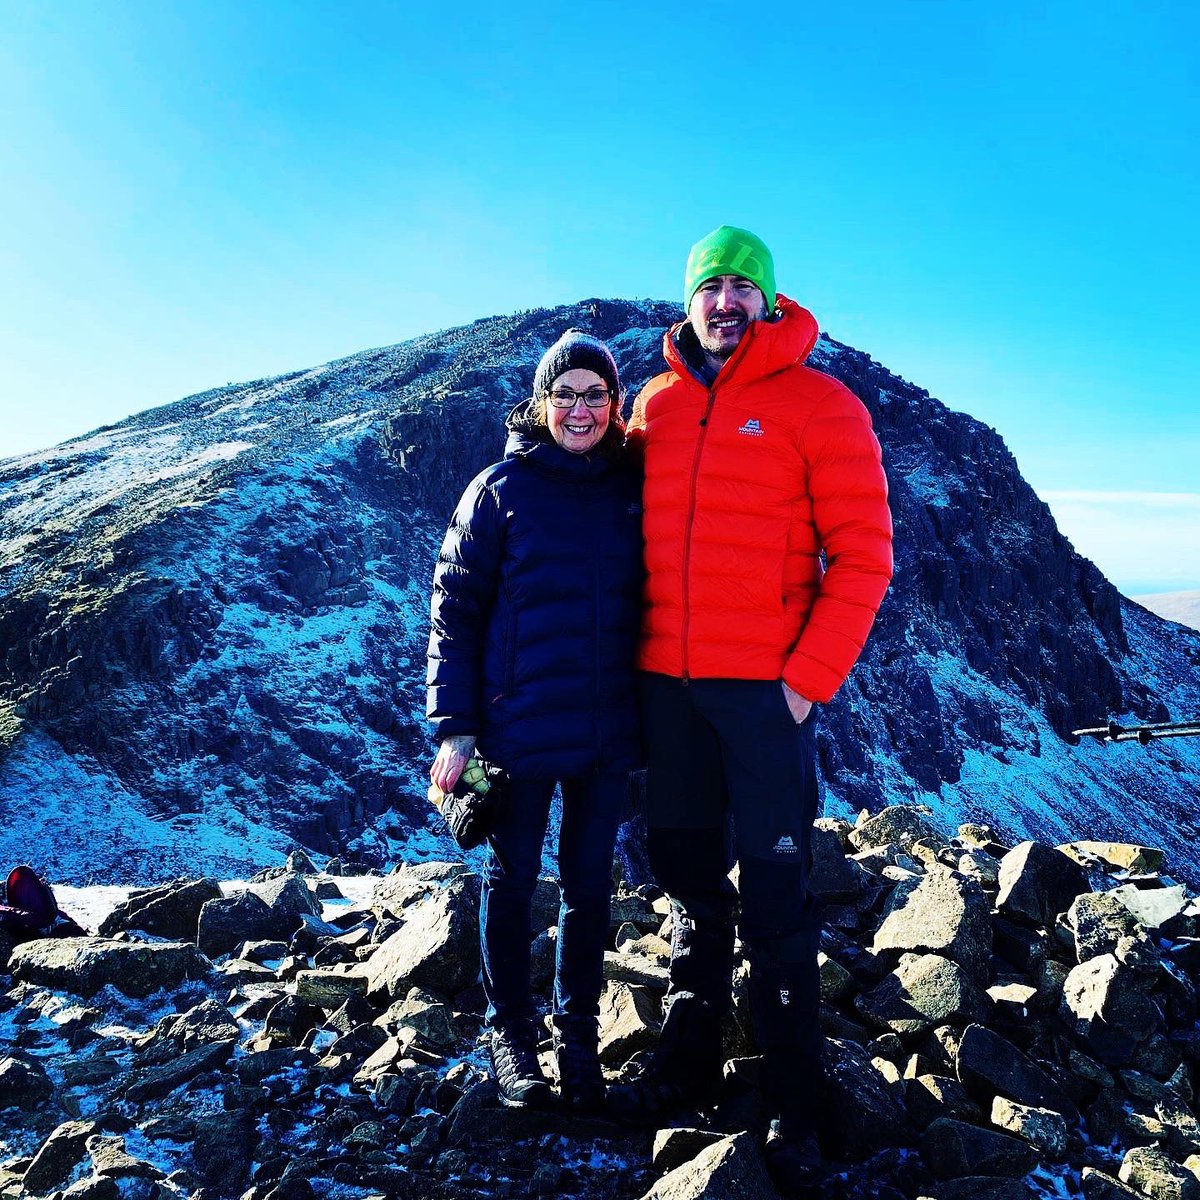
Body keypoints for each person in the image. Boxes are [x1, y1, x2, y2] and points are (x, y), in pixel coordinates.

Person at [617, 226, 893, 1190]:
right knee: (689, 877)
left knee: (777, 893)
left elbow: (864, 556)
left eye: (743, 285)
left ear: (768, 300)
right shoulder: (653, 406)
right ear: (689, 301)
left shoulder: (823, 406)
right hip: (670, 689)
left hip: (764, 695)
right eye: (710, 286)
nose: (725, 301)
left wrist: (806, 680)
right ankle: (689, 1054)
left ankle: (791, 1095)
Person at [426, 330, 643, 1114]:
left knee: (588, 889)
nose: (579, 409)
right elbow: (455, 609)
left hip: (609, 731)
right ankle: (511, 1035)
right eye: (565, 394)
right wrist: (455, 726)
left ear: (614, 406)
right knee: (511, 882)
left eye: (594, 395)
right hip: (516, 730)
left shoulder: (633, 485)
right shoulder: (498, 490)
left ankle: (577, 1041)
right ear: (542, 401)